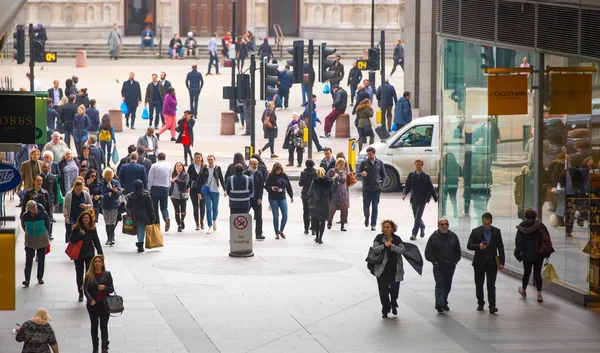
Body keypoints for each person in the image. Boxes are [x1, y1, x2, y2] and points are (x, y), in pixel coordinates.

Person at [467, 212, 505, 313]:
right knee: (479, 284)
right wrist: (478, 246)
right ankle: (480, 302)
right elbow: (469, 245)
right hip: (479, 262)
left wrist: (502, 262)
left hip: (492, 262)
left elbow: (500, 247)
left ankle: (492, 305)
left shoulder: (496, 232)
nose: (486, 226)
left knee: (491, 284)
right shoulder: (476, 231)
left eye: (488, 224)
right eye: (484, 224)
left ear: (491, 222)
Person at [425, 218, 461, 313]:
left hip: (450, 265)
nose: (444, 226)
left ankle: (444, 301)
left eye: (446, 224)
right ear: (438, 226)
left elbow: (458, 251)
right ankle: (439, 303)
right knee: (440, 283)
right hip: (439, 265)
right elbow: (428, 252)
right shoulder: (433, 237)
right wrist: (435, 261)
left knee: (447, 285)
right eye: (442, 224)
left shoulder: (453, 236)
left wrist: (455, 261)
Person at [371, 220, 406, 318]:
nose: (385, 229)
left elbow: (402, 250)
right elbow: (374, 249)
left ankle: (393, 303)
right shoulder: (379, 238)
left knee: (394, 290)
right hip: (382, 270)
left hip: (395, 270)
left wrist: (392, 246)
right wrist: (384, 245)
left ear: (392, 229)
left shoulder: (397, 239)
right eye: (384, 227)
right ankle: (385, 309)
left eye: (388, 227)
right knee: (383, 291)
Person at [515, 209, 549, 303]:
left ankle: (524, 290)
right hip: (539, 254)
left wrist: (517, 253)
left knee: (527, 272)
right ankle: (539, 294)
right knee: (537, 273)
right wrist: (546, 253)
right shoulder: (540, 226)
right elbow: (546, 239)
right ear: (535, 216)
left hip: (527, 254)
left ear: (525, 216)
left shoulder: (522, 226)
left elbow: (518, 241)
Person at [69, 211, 103, 302]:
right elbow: (72, 240)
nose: (86, 220)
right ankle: (80, 292)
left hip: (89, 253)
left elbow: (96, 240)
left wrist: (100, 253)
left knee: (89, 274)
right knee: (79, 273)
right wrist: (80, 235)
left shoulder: (92, 228)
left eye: (88, 218)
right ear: (81, 219)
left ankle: (88, 292)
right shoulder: (77, 228)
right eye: (84, 218)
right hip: (78, 254)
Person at [83, 255, 114, 352]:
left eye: (99, 261)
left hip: (104, 304)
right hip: (93, 305)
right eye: (95, 261)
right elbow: (86, 289)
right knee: (94, 325)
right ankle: (95, 346)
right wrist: (90, 299)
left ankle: (105, 346)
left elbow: (111, 289)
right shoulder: (89, 275)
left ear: (102, 263)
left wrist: (104, 287)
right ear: (93, 264)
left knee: (104, 326)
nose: (97, 263)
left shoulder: (107, 274)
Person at [402, 158, 438, 240]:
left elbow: (431, 188)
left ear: (422, 165)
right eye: (417, 165)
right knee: (416, 217)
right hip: (414, 199)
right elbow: (407, 186)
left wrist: (435, 197)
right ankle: (422, 226)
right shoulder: (411, 175)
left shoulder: (426, 177)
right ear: (415, 165)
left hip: (422, 200)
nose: (418, 166)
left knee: (418, 217)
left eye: (420, 165)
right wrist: (404, 194)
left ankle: (414, 234)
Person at [21, 200, 51, 287]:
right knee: (28, 260)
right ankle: (27, 279)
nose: (35, 209)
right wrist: (29, 232)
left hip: (42, 239)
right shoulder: (25, 216)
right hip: (30, 240)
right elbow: (23, 226)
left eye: (35, 207)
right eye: (33, 207)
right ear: (28, 209)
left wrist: (45, 233)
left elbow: (48, 224)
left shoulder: (43, 214)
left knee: (41, 260)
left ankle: (40, 277)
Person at [357, 147, 386, 231]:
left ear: (374, 153)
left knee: (375, 206)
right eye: (368, 154)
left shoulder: (379, 163)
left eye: (371, 154)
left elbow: (383, 175)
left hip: (376, 187)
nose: (369, 156)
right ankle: (366, 217)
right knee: (366, 205)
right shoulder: (364, 162)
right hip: (366, 187)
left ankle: (373, 224)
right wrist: (362, 173)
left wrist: (382, 184)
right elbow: (357, 174)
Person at [196, 155, 226, 234]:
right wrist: (199, 192)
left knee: (215, 208)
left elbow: (222, 179)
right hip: (207, 191)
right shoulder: (205, 169)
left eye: (211, 159)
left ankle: (214, 220)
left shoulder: (218, 168)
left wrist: (225, 189)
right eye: (209, 159)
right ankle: (210, 226)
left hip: (215, 190)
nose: (210, 161)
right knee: (208, 208)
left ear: (214, 160)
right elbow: (200, 180)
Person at [264, 162, 293, 239]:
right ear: (274, 170)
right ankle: (276, 232)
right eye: (277, 170)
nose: (278, 172)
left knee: (285, 215)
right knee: (276, 216)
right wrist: (271, 188)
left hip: (282, 197)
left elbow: (288, 186)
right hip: (273, 198)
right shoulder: (270, 176)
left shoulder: (284, 175)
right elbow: (266, 186)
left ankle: (281, 230)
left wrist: (291, 196)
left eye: (279, 170)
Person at [126, 179, 155, 252]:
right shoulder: (146, 195)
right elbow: (150, 207)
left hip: (134, 215)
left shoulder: (131, 196)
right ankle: (140, 244)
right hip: (144, 216)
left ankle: (139, 242)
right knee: (142, 230)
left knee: (139, 229)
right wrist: (153, 217)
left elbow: (128, 206)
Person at [308, 167, 333, 244]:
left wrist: (309, 199)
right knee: (323, 221)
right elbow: (331, 194)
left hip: (317, 202)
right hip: (325, 202)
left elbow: (310, 192)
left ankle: (317, 237)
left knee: (316, 220)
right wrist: (329, 201)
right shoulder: (328, 182)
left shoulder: (315, 181)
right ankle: (320, 238)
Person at [147, 152, 172, 231]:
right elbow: (169, 178)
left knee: (155, 207)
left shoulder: (154, 166)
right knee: (164, 207)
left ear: (158, 158)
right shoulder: (169, 166)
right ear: (165, 158)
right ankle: (166, 217)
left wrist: (149, 188)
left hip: (155, 188)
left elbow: (150, 178)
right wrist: (168, 188)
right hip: (164, 187)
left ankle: (157, 224)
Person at [63, 179, 93, 244]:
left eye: (80, 189)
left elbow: (91, 204)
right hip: (72, 217)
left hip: (83, 218)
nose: (79, 191)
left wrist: (86, 206)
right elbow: (65, 206)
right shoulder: (69, 195)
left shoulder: (85, 194)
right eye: (77, 190)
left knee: (82, 233)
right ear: (74, 187)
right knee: (71, 233)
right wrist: (66, 216)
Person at [326, 158, 350, 231]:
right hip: (334, 192)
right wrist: (333, 177)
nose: (342, 166)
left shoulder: (344, 172)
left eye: (343, 165)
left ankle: (342, 225)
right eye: (340, 165)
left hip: (342, 192)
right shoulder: (332, 171)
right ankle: (329, 220)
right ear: (337, 164)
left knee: (343, 209)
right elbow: (327, 178)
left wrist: (337, 177)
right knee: (332, 208)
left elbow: (343, 180)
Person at [100, 168, 122, 246]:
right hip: (105, 205)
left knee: (112, 222)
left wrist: (116, 191)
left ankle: (111, 238)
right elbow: (101, 193)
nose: (109, 176)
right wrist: (108, 193)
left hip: (114, 205)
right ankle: (108, 237)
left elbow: (120, 192)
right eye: (107, 175)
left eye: (110, 174)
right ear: (105, 175)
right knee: (107, 222)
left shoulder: (116, 182)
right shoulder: (102, 183)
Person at [244, 158, 265, 239]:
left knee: (259, 216)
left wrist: (260, 198)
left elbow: (261, 187)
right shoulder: (245, 173)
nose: (256, 166)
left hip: (256, 199)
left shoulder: (259, 173)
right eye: (254, 164)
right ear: (250, 164)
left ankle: (259, 234)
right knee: (245, 216)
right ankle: (244, 234)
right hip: (247, 199)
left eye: (256, 164)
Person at [187, 153, 206, 230]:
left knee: (202, 205)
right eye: (196, 157)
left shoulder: (204, 166)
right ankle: (197, 223)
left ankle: (202, 221)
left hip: (202, 189)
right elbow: (188, 177)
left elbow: (206, 177)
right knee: (195, 206)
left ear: (201, 158)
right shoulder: (191, 166)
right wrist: (187, 186)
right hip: (193, 188)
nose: (198, 159)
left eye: (199, 157)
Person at [169, 161, 190, 232]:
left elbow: (185, 183)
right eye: (177, 166)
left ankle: (182, 220)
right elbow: (170, 184)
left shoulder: (185, 174)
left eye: (180, 165)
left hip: (183, 195)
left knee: (183, 211)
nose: (178, 167)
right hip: (174, 195)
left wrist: (176, 180)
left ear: (182, 167)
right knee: (177, 211)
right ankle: (179, 225)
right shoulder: (173, 174)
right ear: (175, 167)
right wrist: (169, 193)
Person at [299, 160, 317, 235]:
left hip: (305, 194)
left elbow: (300, 184)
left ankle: (306, 229)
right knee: (313, 212)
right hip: (313, 194)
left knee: (306, 212)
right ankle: (313, 229)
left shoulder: (303, 173)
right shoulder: (315, 173)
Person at [442, 153, 462, 218]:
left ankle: (444, 211)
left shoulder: (445, 166)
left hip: (446, 183)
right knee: (453, 198)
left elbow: (442, 173)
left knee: (444, 198)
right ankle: (455, 211)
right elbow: (460, 174)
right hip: (454, 183)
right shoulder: (457, 165)